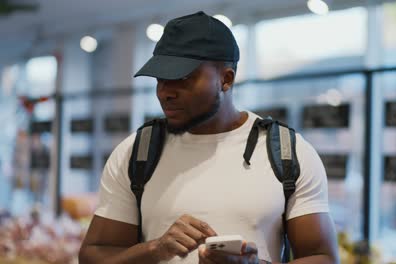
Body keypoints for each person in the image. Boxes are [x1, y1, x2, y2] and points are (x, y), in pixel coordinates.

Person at [79, 11, 339, 264]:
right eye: (160, 79)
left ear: (226, 79)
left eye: (182, 78)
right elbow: (93, 256)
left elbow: (324, 257)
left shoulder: (286, 152)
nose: (165, 93)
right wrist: (156, 249)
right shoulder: (136, 152)